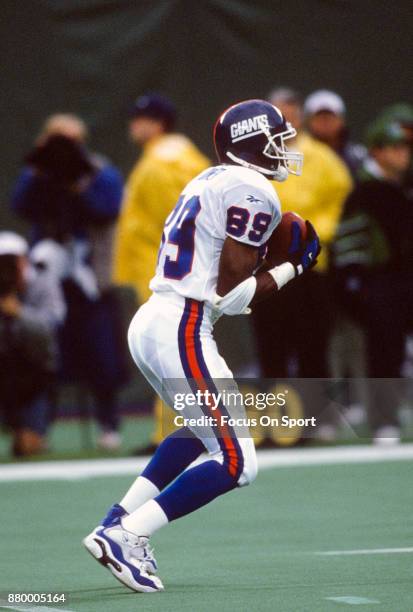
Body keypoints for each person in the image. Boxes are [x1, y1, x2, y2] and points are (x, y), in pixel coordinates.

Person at [83, 99, 320, 592]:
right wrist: (290, 267)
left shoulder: (209, 180)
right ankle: (129, 533)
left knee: (200, 435)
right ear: (254, 143)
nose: (284, 150)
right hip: (183, 324)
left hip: (156, 319)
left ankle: (115, 522)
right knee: (237, 461)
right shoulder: (251, 187)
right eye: (277, 141)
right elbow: (230, 294)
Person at [11, 114, 126, 450]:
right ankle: (38, 429)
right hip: (48, 282)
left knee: (103, 354)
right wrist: (38, 171)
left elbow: (109, 208)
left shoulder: (99, 172)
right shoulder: (37, 175)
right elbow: (21, 205)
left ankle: (109, 424)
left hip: (92, 280)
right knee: (46, 353)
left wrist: (80, 186)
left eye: (71, 141)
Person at [251, 88, 352, 440]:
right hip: (265, 266)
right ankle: (273, 423)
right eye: (276, 113)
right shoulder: (255, 156)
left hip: (309, 267)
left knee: (312, 344)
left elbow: (338, 202)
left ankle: (319, 417)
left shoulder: (321, 157)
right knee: (271, 345)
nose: (285, 119)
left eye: (289, 112)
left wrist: (305, 236)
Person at [113, 93, 210, 452]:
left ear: (158, 123)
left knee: (168, 351)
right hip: (172, 274)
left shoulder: (161, 162)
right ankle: (175, 430)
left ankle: (173, 433)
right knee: (174, 351)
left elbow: (175, 223)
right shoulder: (172, 156)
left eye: (142, 118)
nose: (134, 124)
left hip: (167, 274)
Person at [331, 119, 413, 442]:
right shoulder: (364, 190)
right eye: (395, 147)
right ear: (377, 151)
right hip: (382, 284)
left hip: (406, 281)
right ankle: (384, 420)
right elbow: (350, 242)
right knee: (384, 351)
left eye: (405, 147)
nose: (403, 154)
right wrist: (358, 284)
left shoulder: (404, 188)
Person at [0, 232, 65, 455]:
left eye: (11, 262)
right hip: (4, 371)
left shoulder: (42, 282)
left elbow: (52, 325)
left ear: (23, 260)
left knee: (28, 446)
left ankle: (31, 429)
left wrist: (19, 313)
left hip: (37, 372)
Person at [304, 89, 366, 179]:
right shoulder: (299, 154)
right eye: (320, 118)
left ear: (342, 120)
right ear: (308, 121)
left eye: (330, 118)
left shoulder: (357, 157)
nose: (325, 123)